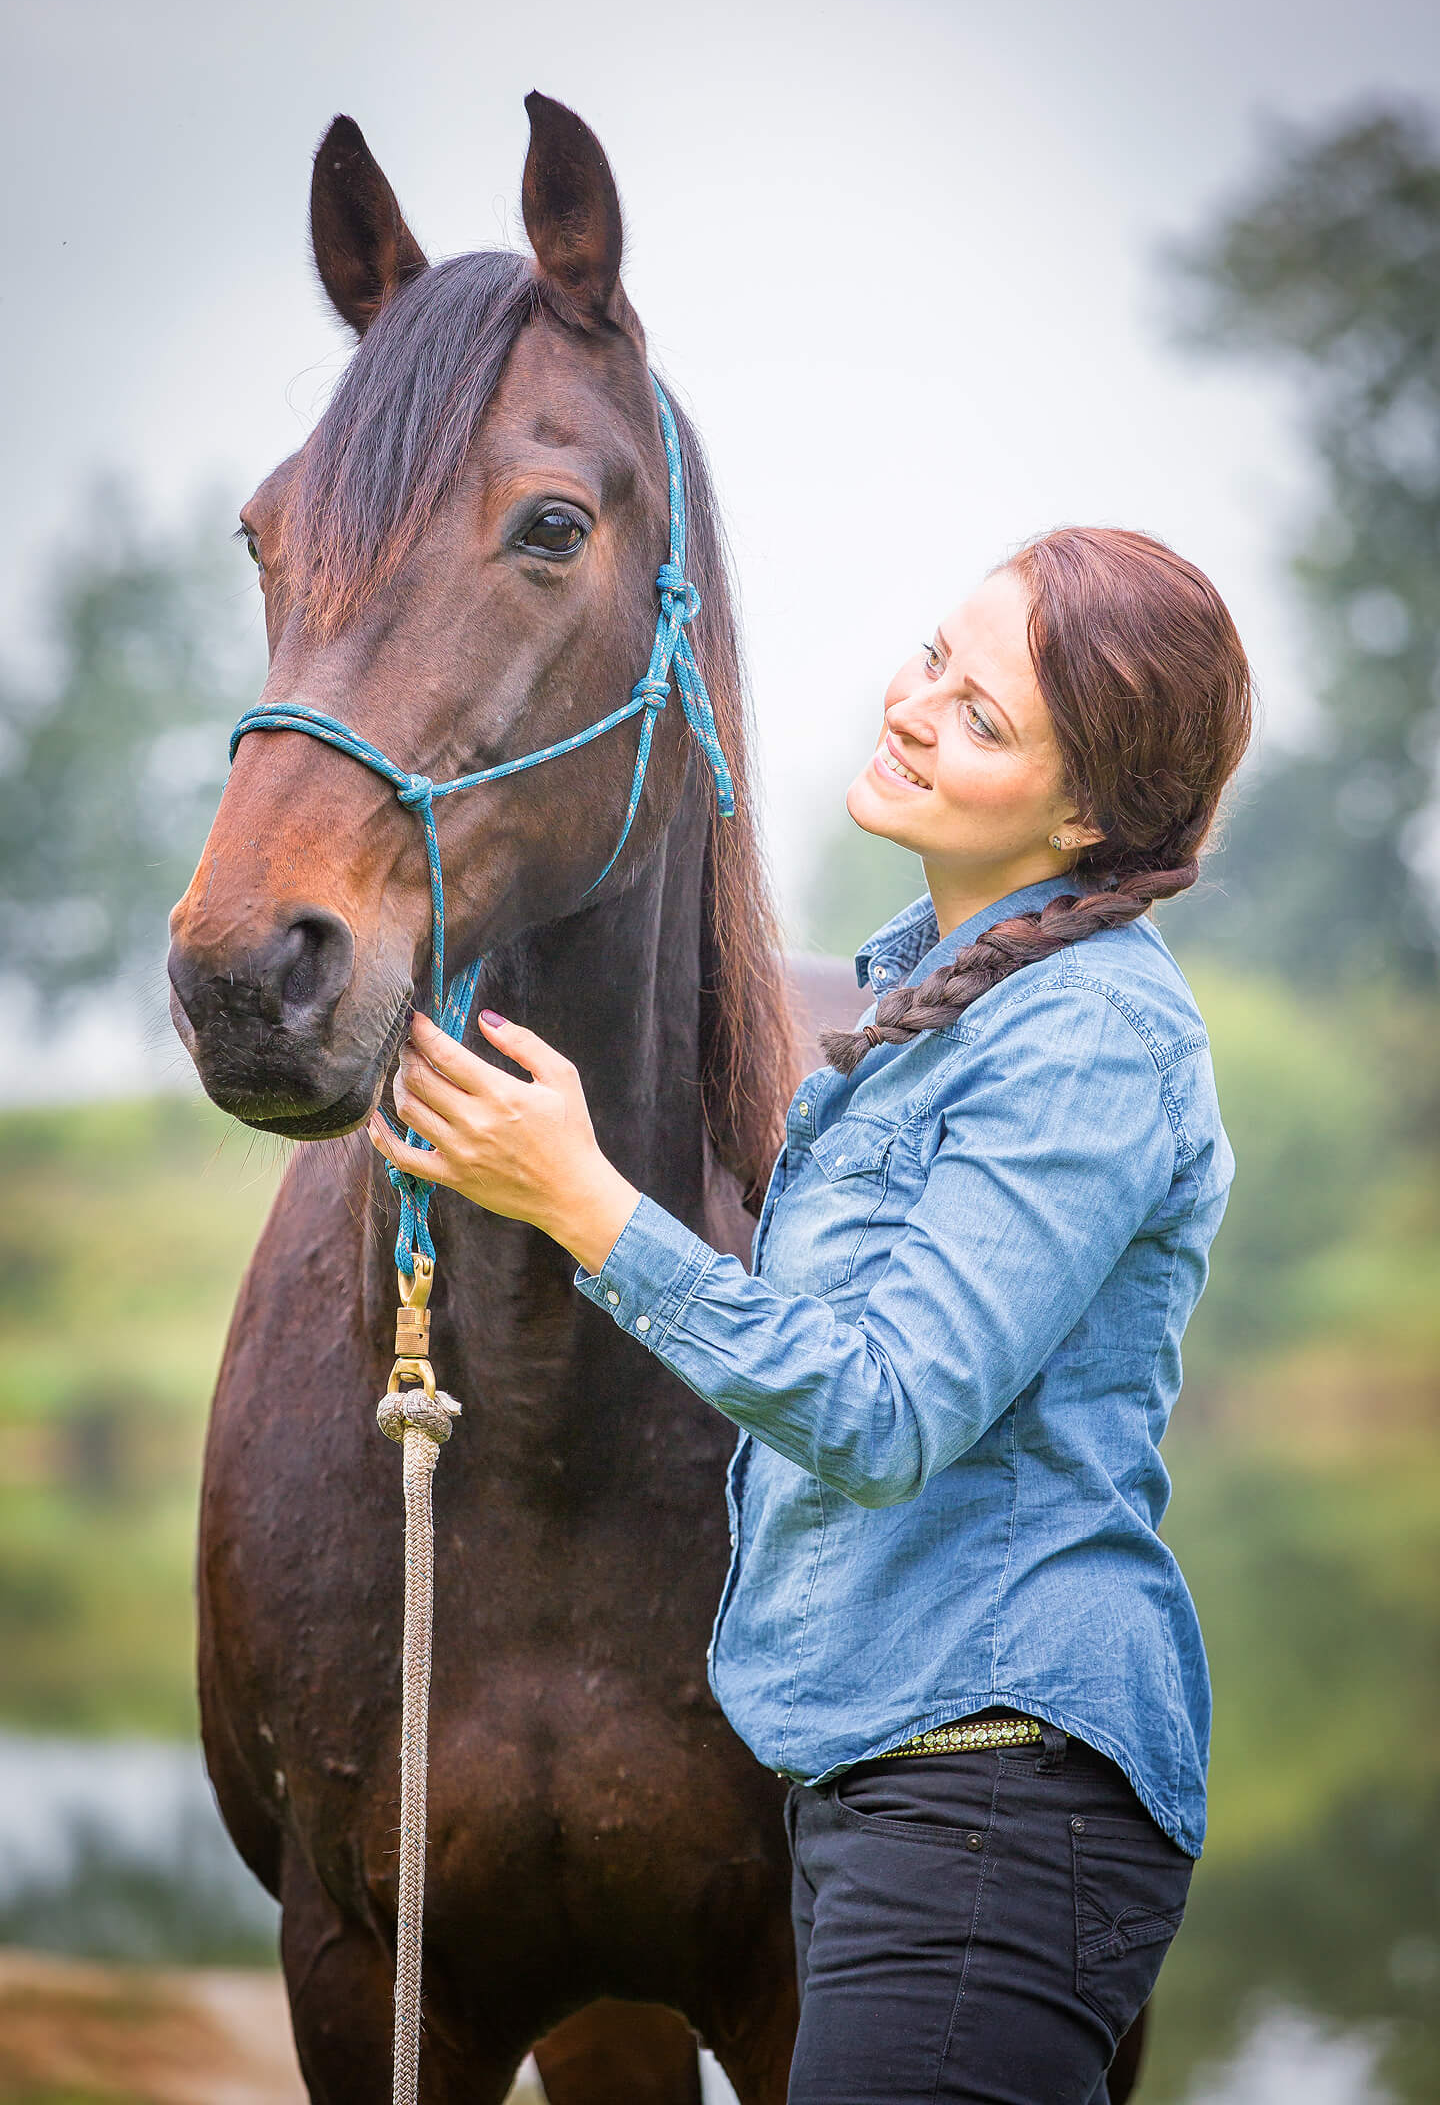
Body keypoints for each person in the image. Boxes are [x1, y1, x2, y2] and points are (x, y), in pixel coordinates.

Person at [369, 525, 1254, 2105]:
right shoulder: (929, 1014)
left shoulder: (1089, 1037)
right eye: (935, 659)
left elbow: (884, 1407)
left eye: (983, 718)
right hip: (897, 1791)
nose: (914, 708)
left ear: (1089, 816)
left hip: (998, 1792)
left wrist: (584, 1200)